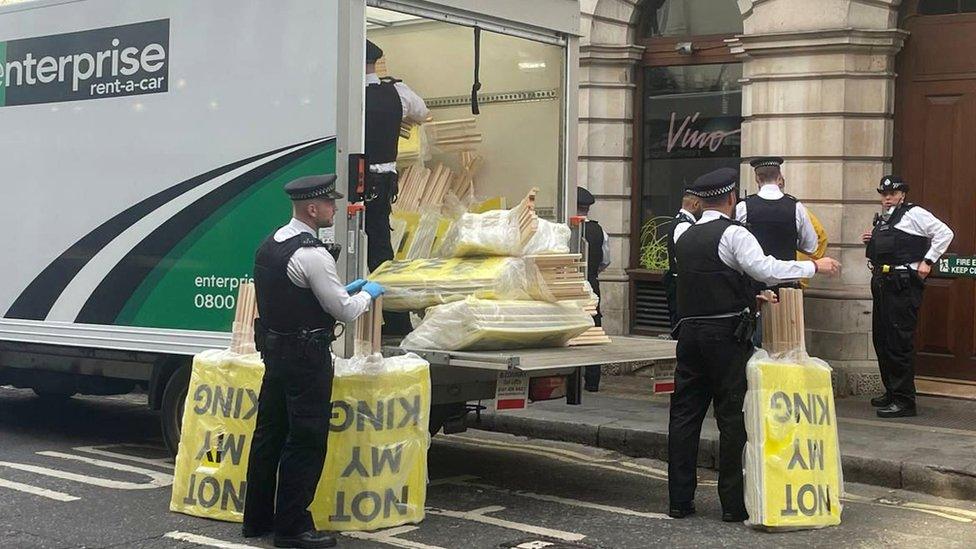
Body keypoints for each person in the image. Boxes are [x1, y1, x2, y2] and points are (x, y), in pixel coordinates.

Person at [668, 168, 841, 522]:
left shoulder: (684, 234)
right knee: (732, 418)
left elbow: (709, 279)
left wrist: (749, 296)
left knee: (685, 417)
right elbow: (765, 269)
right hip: (726, 338)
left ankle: (679, 501)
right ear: (731, 199)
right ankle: (732, 505)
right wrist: (814, 266)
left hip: (689, 334)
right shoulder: (733, 233)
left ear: (701, 201)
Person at [244, 174, 385, 549]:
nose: (334, 209)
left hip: (275, 353)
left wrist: (340, 291)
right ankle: (292, 529)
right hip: (306, 358)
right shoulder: (313, 253)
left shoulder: (271, 244)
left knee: (268, 434)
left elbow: (296, 296)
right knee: (305, 440)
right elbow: (344, 310)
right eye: (329, 204)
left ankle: (257, 519)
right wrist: (367, 294)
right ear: (312, 208)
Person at [862, 175, 953, 418]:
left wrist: (928, 261)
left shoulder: (914, 214)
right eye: (884, 194)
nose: (887, 198)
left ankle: (904, 401)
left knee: (899, 343)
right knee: (882, 340)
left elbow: (945, 233)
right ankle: (892, 391)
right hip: (882, 283)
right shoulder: (884, 219)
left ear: (903, 194)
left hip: (902, 285)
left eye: (892, 193)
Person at [363, 39, 428, 336]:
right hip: (383, 184)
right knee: (379, 251)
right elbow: (422, 113)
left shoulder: (345, 91)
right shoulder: (396, 92)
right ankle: (395, 319)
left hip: (352, 180)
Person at [736, 157, 819, 346]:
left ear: (757, 178)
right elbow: (811, 246)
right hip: (787, 289)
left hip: (752, 289)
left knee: (752, 349)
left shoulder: (743, 207)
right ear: (779, 177)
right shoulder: (795, 207)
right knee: (786, 347)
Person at [578, 186, 611, 392]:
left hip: (568, 286)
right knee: (593, 331)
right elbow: (606, 261)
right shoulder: (600, 231)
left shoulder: (563, 228)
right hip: (592, 284)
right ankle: (592, 382)